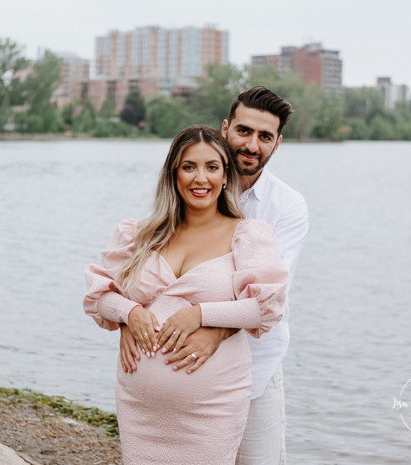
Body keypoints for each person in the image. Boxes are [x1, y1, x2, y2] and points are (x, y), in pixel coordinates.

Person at [117, 87, 309, 465]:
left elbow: (267, 299)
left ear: (277, 143)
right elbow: (148, 275)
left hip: (256, 365)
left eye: (265, 137)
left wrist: (211, 331)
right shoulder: (192, 190)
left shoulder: (286, 207)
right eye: (244, 131)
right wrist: (128, 317)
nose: (252, 144)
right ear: (225, 129)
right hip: (163, 403)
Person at [83, 125, 289, 465]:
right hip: (141, 409)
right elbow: (98, 296)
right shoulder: (140, 234)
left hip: (212, 407)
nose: (200, 178)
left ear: (226, 176)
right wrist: (130, 314)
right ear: (173, 174)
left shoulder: (246, 235)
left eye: (212, 167)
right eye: (189, 166)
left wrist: (201, 314)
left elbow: (267, 308)